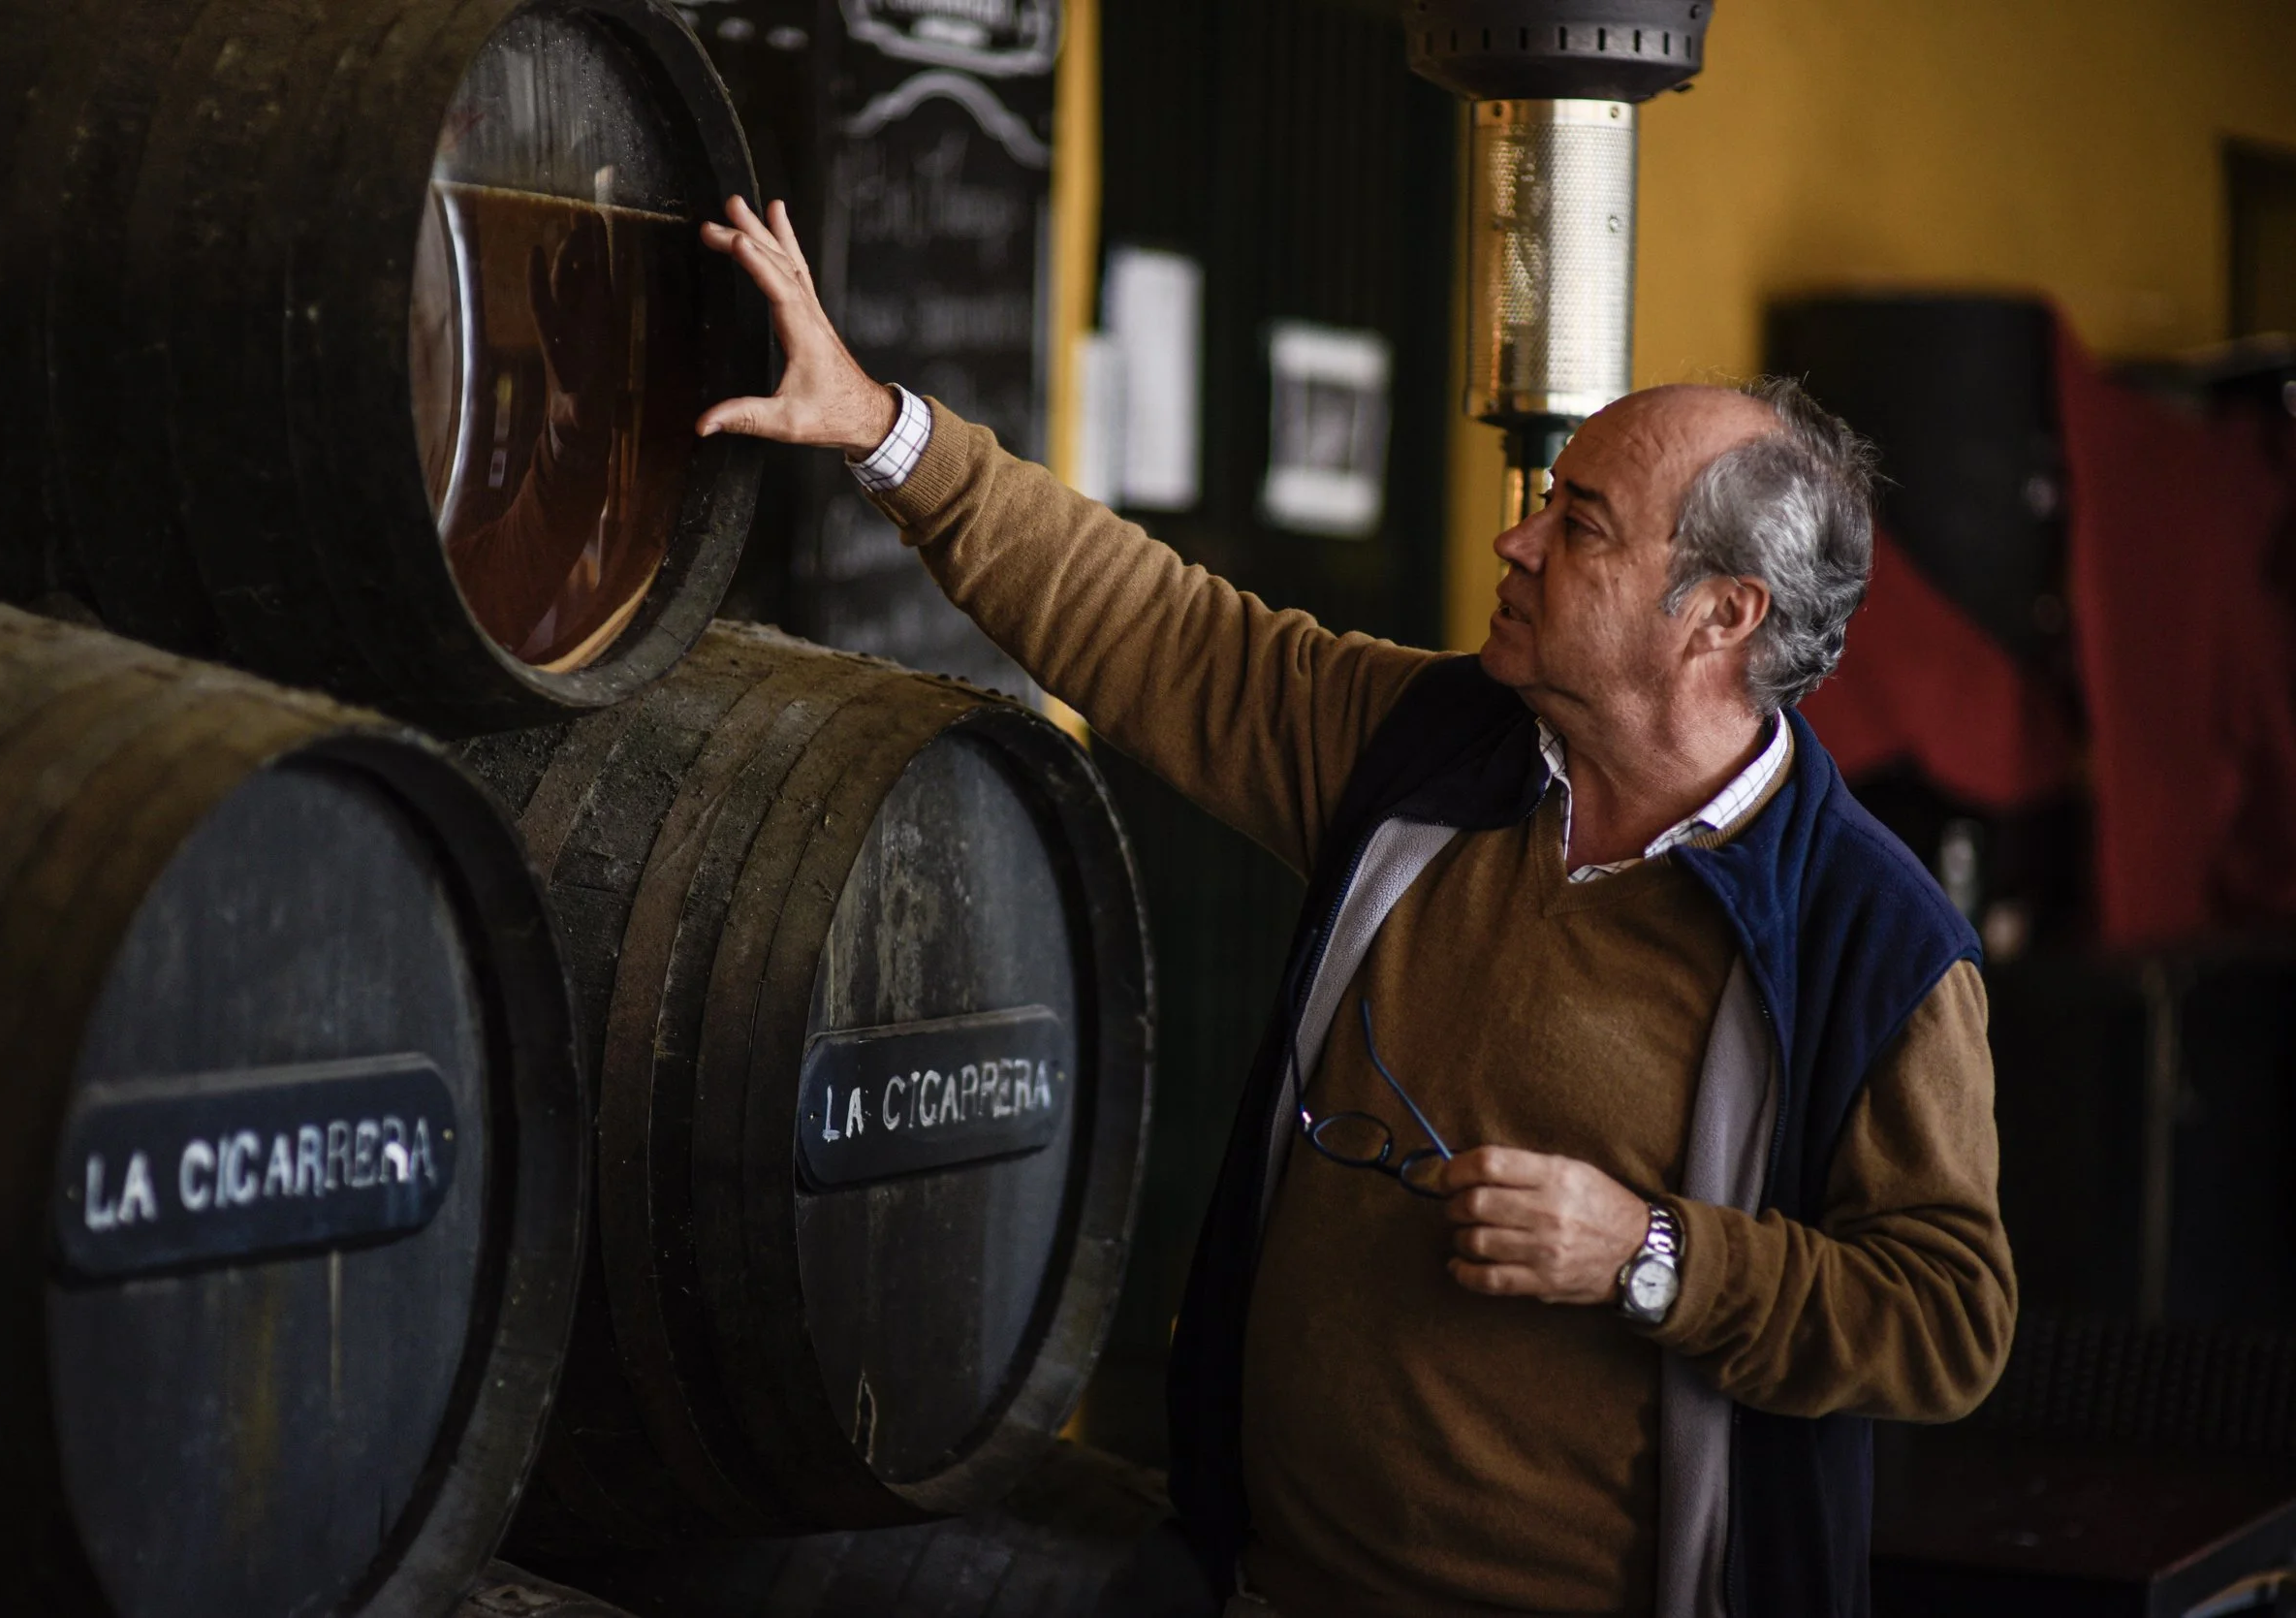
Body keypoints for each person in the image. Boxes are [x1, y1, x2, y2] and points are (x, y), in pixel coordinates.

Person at [693, 196, 2016, 1618]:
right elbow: (1156, 630)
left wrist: (1649, 1256)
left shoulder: (1871, 940)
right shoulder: (1432, 748)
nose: (1516, 542)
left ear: (1719, 616)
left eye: (1579, 525)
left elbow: (1948, 1319)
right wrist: (884, 431)